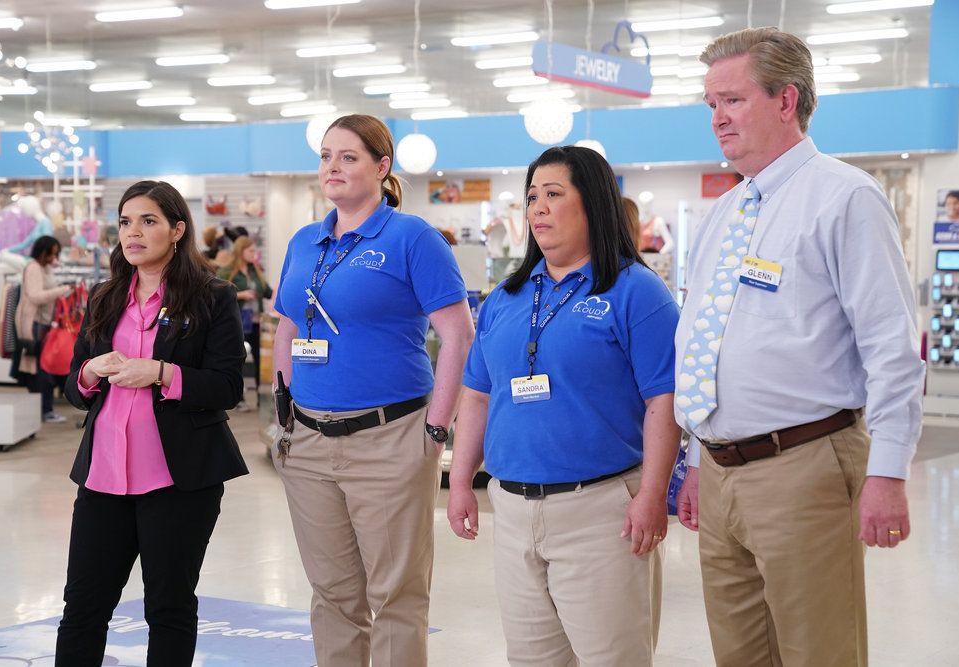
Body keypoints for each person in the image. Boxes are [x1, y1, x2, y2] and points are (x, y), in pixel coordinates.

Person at [674, 27, 924, 667]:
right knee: (740, 655)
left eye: (731, 100)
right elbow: (701, 336)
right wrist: (698, 463)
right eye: (710, 104)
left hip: (805, 463)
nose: (717, 119)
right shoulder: (723, 215)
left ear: (787, 101)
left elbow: (891, 347)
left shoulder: (844, 197)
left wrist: (888, 473)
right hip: (721, 468)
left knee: (820, 652)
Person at [447, 145, 682, 666]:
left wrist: (651, 494)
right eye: (532, 197)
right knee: (530, 659)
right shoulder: (505, 298)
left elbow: (663, 402)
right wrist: (462, 480)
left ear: (592, 203)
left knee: (612, 658)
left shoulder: (636, 291)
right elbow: (479, 394)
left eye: (554, 194)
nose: (538, 209)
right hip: (510, 508)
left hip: (601, 510)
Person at [272, 114, 474, 666]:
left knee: (396, 596)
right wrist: (281, 411)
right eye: (325, 156)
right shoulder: (305, 241)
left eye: (348, 156)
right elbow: (288, 328)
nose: (332, 167)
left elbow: (458, 336)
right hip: (309, 441)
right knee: (332, 595)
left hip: (390, 436)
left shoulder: (412, 238)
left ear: (383, 168)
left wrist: (436, 428)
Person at [55, 180, 249, 667]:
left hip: (178, 480)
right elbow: (74, 392)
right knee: (83, 608)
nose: (133, 232)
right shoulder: (104, 297)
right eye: (125, 222)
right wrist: (88, 372)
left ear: (177, 230)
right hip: (103, 479)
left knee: (169, 608)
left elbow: (228, 387)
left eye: (148, 221)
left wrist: (163, 374)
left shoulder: (212, 297)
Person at [15, 235, 71, 423]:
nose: (53, 257)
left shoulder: (44, 268)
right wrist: (61, 290)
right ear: (43, 252)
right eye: (51, 254)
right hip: (34, 323)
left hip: (44, 323)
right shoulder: (33, 268)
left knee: (41, 367)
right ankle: (44, 410)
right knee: (41, 368)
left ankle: (42, 410)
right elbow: (35, 296)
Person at [218, 235, 273, 411]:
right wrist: (241, 295)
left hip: (256, 320)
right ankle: (238, 398)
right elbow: (217, 293)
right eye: (250, 251)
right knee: (238, 359)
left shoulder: (255, 271)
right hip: (237, 320)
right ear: (241, 252)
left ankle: (259, 396)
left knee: (258, 359)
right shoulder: (227, 271)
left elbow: (267, 292)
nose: (254, 254)